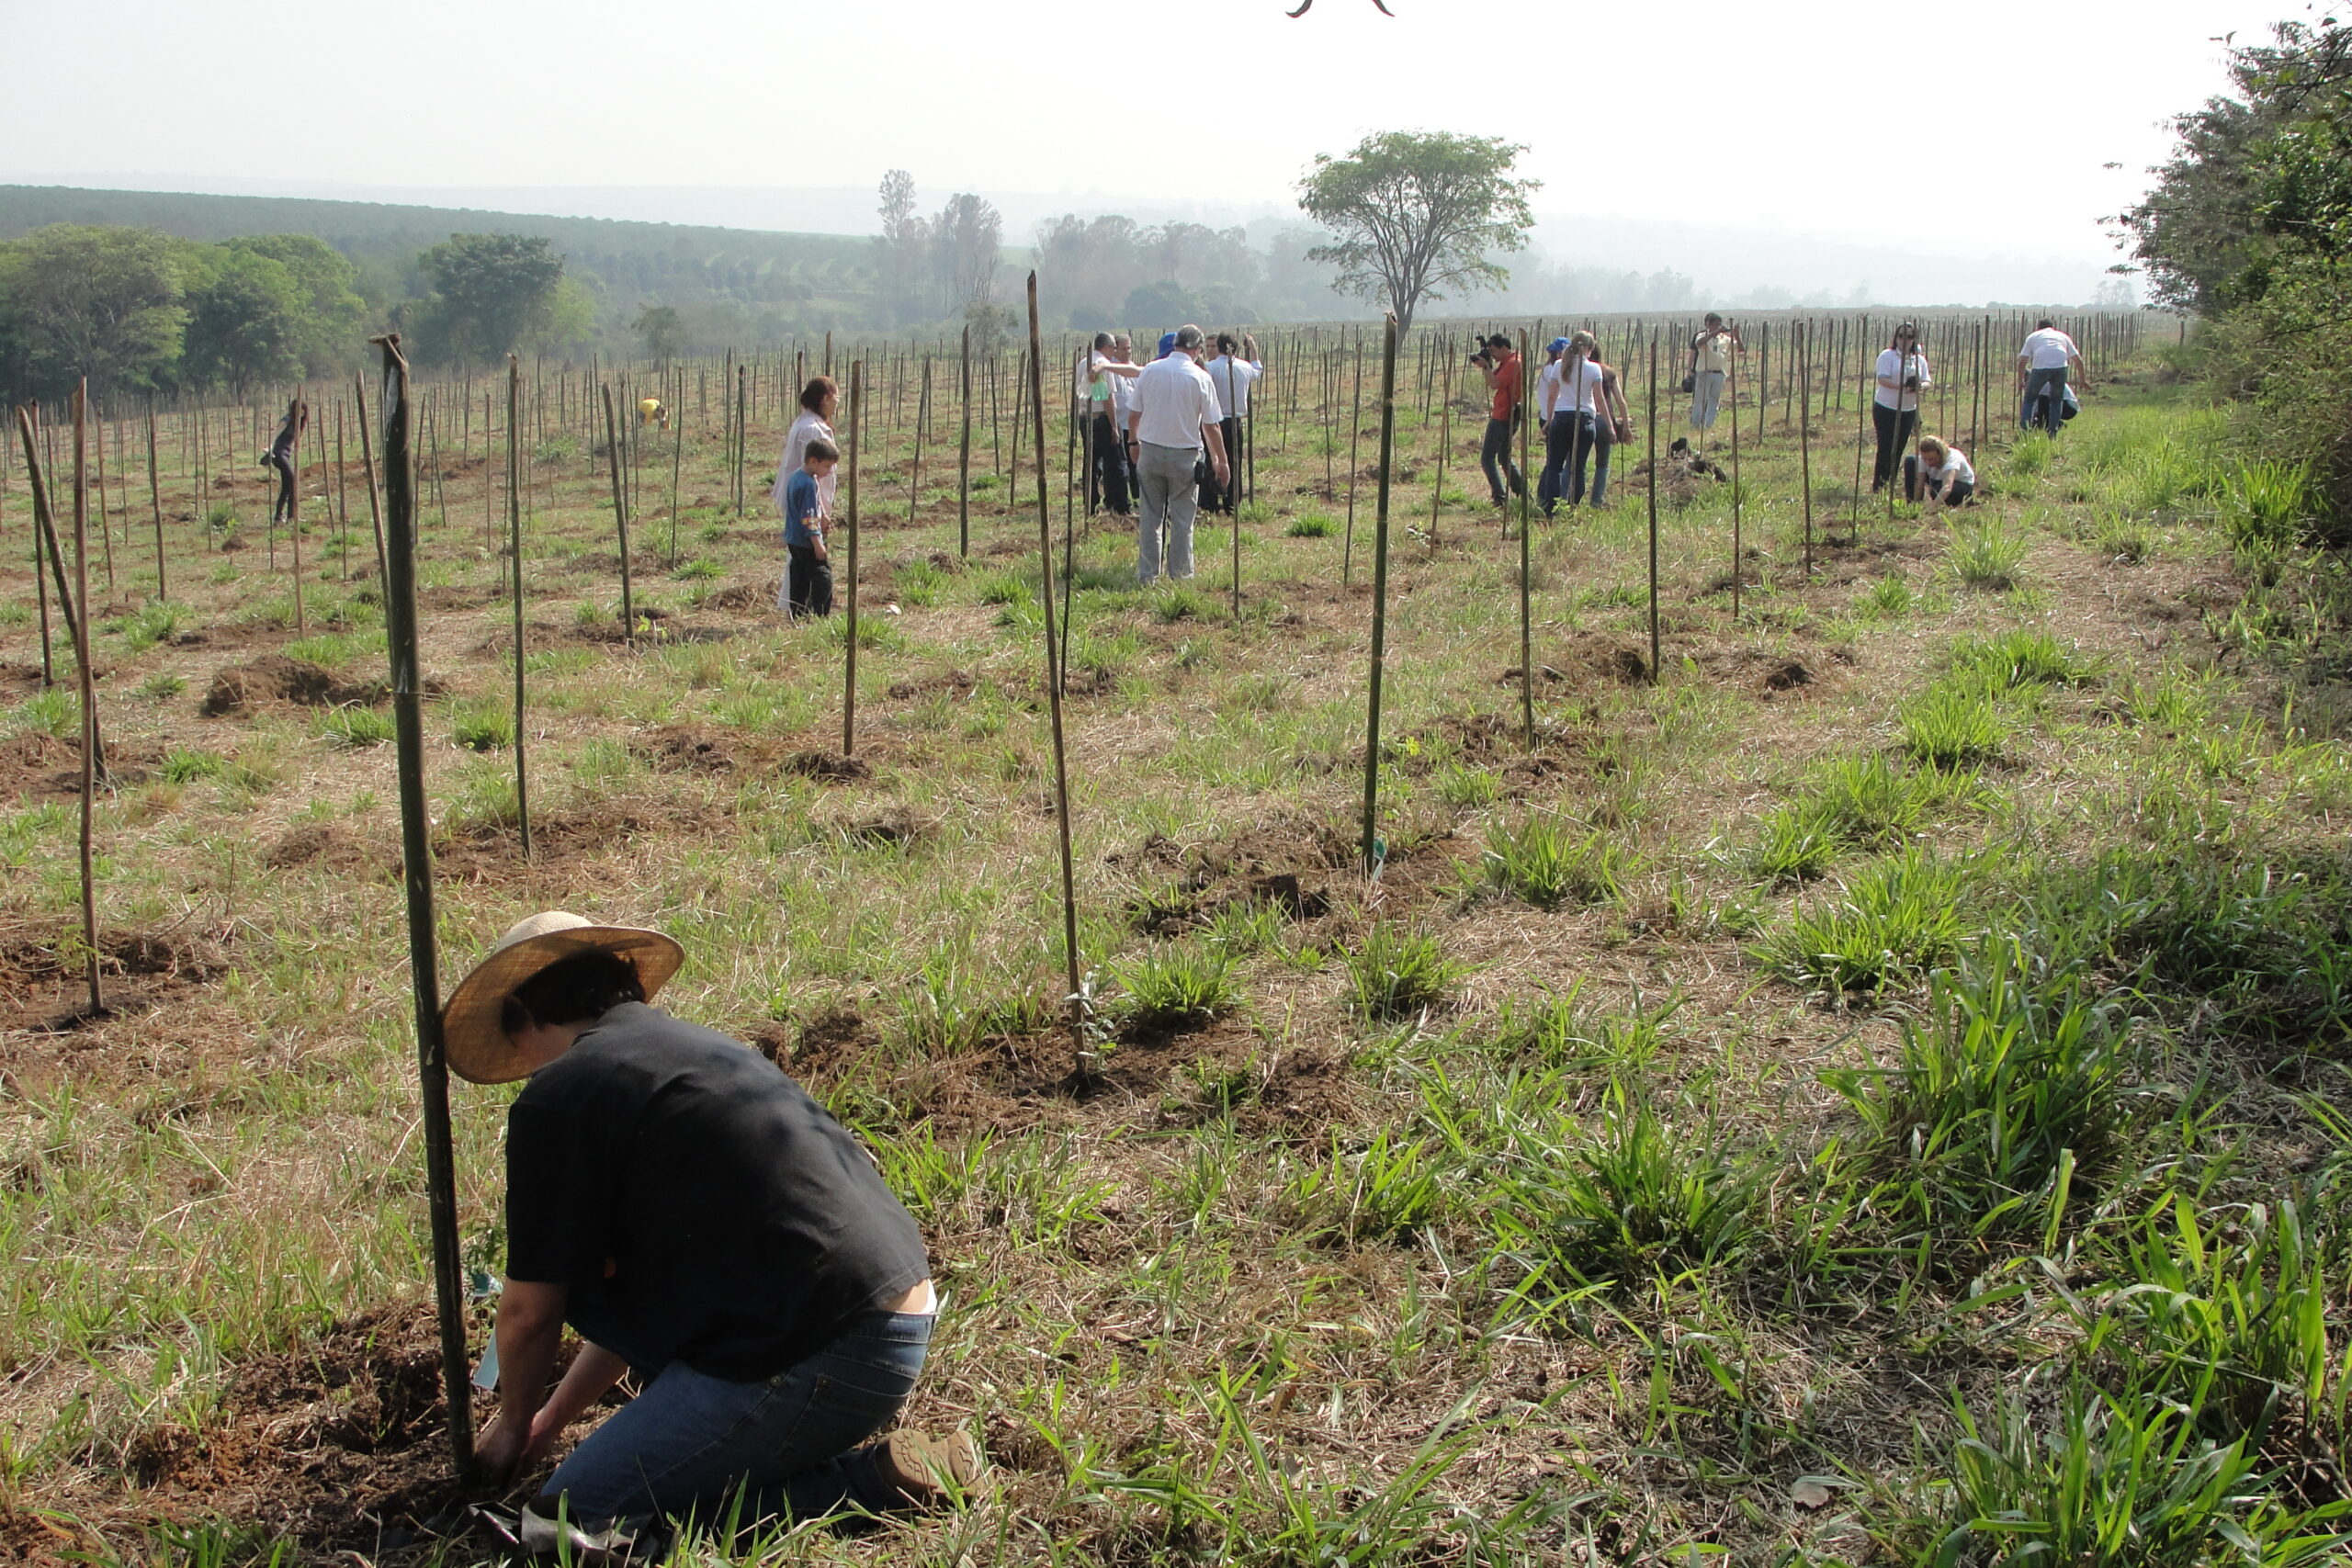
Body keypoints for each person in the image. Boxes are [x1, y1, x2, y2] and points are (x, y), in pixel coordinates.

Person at [454, 911, 979, 1561]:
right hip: (890, 1316)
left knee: (564, 1523)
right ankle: (883, 1471)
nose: (522, 1067)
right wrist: (551, 1419)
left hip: (814, 1350)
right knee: (614, 1499)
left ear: (521, 1015)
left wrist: (509, 1427)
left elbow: (530, 1311)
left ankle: (863, 1484)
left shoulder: (562, 1094)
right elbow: (644, 1306)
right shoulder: (689, 1051)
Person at [1125, 324, 1230, 585]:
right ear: (1196, 349)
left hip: (1150, 451)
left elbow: (1134, 412)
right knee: (1182, 520)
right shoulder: (1200, 377)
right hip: (1184, 457)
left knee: (1150, 516)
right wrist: (1221, 460)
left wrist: (1133, 442)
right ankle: (1181, 576)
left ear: (1176, 345)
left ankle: (1148, 575)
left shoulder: (1150, 370)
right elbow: (1211, 425)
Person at [771, 378, 838, 612]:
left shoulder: (808, 422)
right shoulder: (810, 429)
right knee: (809, 563)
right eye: (836, 399)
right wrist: (820, 512)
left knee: (799, 562)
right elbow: (814, 477)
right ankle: (804, 609)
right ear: (826, 398)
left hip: (804, 501)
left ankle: (797, 609)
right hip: (805, 504)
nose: (837, 404)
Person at [1556, 332, 1628, 510]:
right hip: (1603, 420)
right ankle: (1596, 501)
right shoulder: (1607, 372)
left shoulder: (1572, 368)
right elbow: (1620, 401)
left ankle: (1564, 500)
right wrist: (1624, 426)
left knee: (1573, 463)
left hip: (1583, 418)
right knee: (1602, 465)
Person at [1080, 333, 1143, 517]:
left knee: (1091, 463)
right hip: (1102, 420)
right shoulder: (1102, 366)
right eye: (1114, 348)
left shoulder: (1083, 362)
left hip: (1085, 417)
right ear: (1106, 347)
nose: (1115, 352)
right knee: (1117, 463)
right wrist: (1114, 427)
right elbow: (1107, 398)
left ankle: (1090, 505)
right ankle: (1121, 506)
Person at [1200, 333, 1261, 514]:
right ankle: (1232, 505)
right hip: (1235, 422)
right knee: (1234, 463)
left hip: (1213, 421)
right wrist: (1253, 347)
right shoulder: (1245, 367)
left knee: (1213, 461)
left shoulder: (1209, 368)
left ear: (1219, 347)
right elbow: (1258, 369)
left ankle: (1209, 505)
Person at [1871, 323, 1932, 492]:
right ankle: (1879, 485)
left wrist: (1920, 386)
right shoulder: (1887, 356)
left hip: (1908, 410)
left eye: (1910, 337)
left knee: (1899, 447)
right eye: (1901, 336)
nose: (1905, 340)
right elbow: (1882, 379)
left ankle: (1891, 481)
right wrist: (1902, 387)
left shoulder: (1919, 359)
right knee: (1886, 447)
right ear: (1896, 337)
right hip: (1886, 408)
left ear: (1915, 339)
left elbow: (1928, 380)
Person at [783, 437, 839, 619]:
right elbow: (808, 517)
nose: (829, 471)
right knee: (822, 577)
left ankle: (797, 614)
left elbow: (807, 506)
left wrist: (822, 515)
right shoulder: (808, 484)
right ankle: (820, 615)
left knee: (799, 577)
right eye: (827, 466)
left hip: (794, 539)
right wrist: (817, 542)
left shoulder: (797, 477)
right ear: (813, 461)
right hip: (807, 541)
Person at [1471, 333, 1525, 508]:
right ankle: (1521, 491)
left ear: (1504, 348)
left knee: (1488, 458)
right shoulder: (1508, 362)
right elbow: (1491, 382)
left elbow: (1494, 384)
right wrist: (1486, 366)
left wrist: (1486, 366)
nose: (1492, 354)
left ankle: (1500, 497)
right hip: (1506, 412)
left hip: (1503, 415)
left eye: (1493, 351)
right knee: (1504, 457)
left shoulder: (1513, 363)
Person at [2017, 319, 2085, 437]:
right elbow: (2078, 360)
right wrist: (2082, 380)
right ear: (2052, 327)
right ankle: (2052, 432)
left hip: (2040, 368)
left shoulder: (2033, 336)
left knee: (2029, 399)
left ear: (2038, 328)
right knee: (2056, 401)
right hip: (2060, 367)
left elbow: (2022, 362)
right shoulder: (2063, 336)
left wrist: (2020, 381)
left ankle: (2024, 430)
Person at [1685, 314, 1742, 439]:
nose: (1718, 327)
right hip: (1704, 373)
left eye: (1719, 324)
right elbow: (1699, 343)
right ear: (1708, 325)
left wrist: (1736, 334)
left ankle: (1708, 425)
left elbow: (1740, 349)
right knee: (1700, 401)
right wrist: (1714, 332)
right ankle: (1695, 425)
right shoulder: (1702, 336)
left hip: (1719, 374)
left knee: (1714, 401)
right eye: (1715, 324)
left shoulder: (1725, 339)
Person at [264, 399, 307, 525]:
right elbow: (276, 433)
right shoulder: (287, 419)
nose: (301, 412)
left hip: (286, 455)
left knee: (287, 487)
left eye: (303, 410)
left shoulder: (298, 423)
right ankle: (291, 517)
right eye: (298, 409)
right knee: (293, 481)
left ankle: (279, 517)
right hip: (279, 454)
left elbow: (295, 442)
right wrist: (270, 447)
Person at [1905, 435, 1975, 511]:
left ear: (1940, 453)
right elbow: (1919, 482)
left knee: (1937, 492)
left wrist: (1931, 508)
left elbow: (1947, 487)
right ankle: (1911, 504)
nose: (1928, 463)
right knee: (1911, 461)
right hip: (1936, 480)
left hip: (1960, 484)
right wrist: (1916, 502)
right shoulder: (1923, 459)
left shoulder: (1952, 458)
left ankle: (1954, 503)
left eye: (1932, 459)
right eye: (1925, 459)